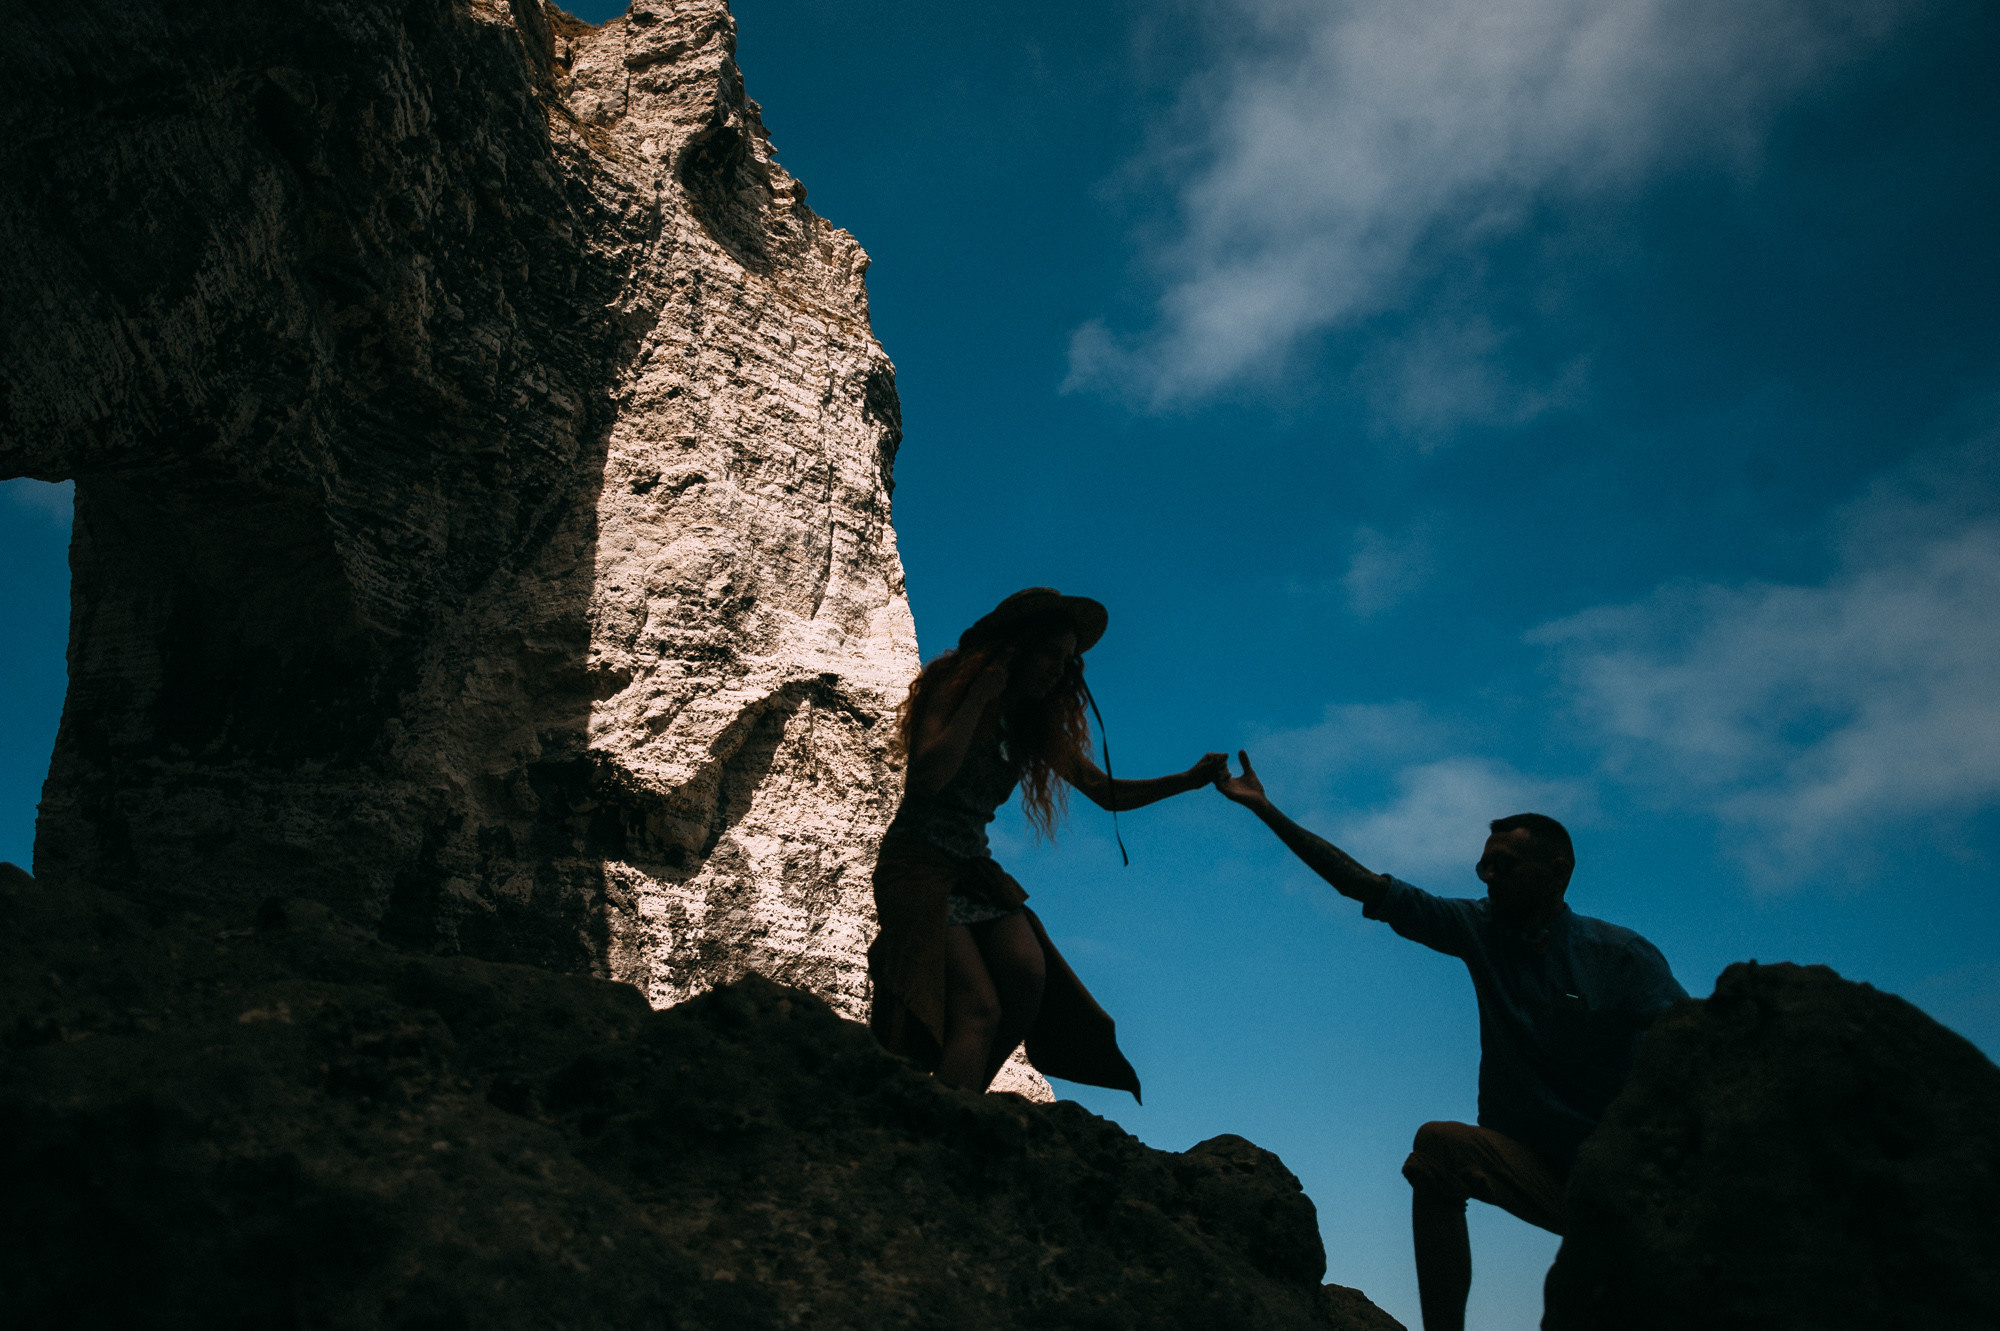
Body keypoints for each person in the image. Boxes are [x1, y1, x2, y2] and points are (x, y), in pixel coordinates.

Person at [1213, 751, 1686, 1331]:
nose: (1488, 877)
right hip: (1541, 1168)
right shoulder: (1480, 929)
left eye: (1504, 866)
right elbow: (1363, 884)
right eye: (1483, 867)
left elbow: (1699, 1052)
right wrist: (1266, 810)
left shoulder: (1620, 957)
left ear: (1557, 870)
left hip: (1626, 1183)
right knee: (1440, 1147)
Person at [867, 588, 1227, 1098]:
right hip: (919, 865)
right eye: (1049, 655)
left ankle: (957, 1095)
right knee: (979, 1007)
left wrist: (1187, 781)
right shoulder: (953, 685)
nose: (1058, 670)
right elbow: (928, 776)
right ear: (1016, 649)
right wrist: (979, 696)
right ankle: (945, 1118)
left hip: (974, 868)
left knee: (1025, 977)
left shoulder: (1033, 724)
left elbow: (1103, 791)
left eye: (1067, 660)